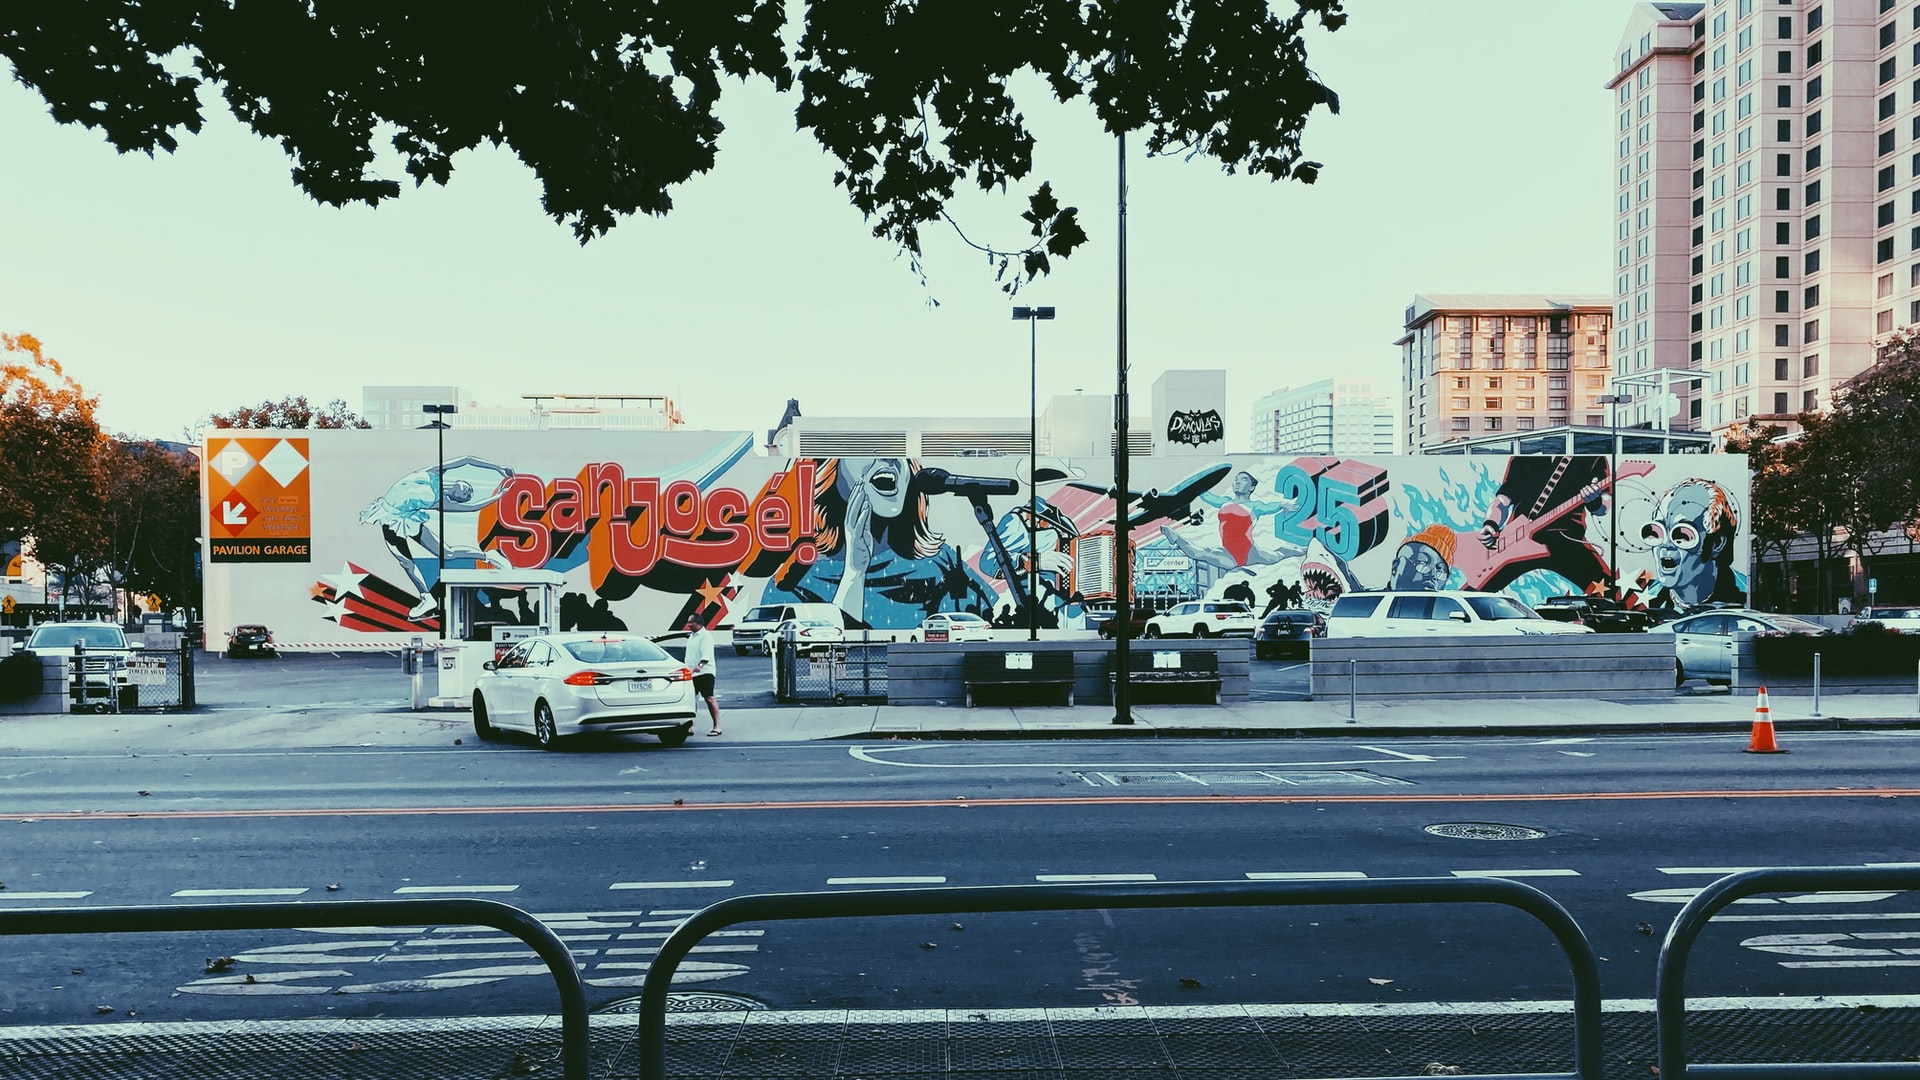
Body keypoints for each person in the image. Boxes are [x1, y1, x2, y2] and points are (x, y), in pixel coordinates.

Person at [1641, 478, 1744, 609]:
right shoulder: (1647, 597)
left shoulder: (1741, 597)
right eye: (1655, 532)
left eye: (1682, 535)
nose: (1666, 544)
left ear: (1716, 544)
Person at [684, 616, 720, 736]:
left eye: (690, 622)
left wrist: (699, 666)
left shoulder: (706, 636)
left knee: (708, 698)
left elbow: (706, 655)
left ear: (697, 623)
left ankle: (717, 726)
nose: (688, 624)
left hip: (705, 672)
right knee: (690, 700)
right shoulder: (692, 636)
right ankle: (689, 726)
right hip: (691, 674)